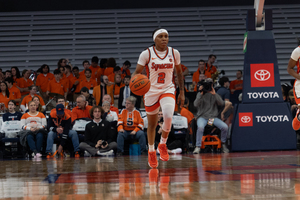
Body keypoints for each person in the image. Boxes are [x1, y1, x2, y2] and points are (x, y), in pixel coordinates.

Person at [132, 28, 185, 168]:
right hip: (150, 91)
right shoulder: (146, 53)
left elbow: (179, 73)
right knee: (151, 125)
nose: (164, 39)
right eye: (161, 36)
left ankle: (162, 144)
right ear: (154, 39)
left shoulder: (174, 53)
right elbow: (136, 73)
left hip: (168, 88)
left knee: (168, 115)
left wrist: (182, 92)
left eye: (166, 36)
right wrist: (134, 84)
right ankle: (151, 151)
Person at [193, 79, 231, 154]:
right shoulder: (200, 94)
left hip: (212, 118)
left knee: (225, 127)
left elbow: (221, 103)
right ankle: (197, 146)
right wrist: (200, 94)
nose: (207, 87)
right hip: (202, 117)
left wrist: (215, 94)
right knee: (200, 127)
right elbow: (195, 104)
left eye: (209, 85)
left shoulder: (215, 94)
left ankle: (223, 144)